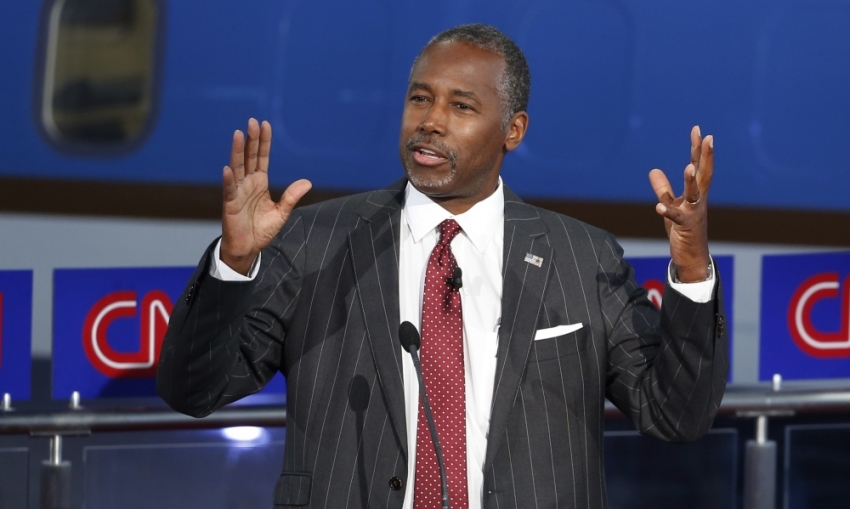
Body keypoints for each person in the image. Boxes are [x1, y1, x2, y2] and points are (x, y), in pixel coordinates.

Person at [157, 24, 727, 509]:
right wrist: (234, 262)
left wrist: (694, 267)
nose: (431, 121)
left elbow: (675, 415)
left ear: (513, 130)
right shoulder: (316, 240)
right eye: (419, 99)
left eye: (461, 105)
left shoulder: (581, 257)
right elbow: (193, 390)